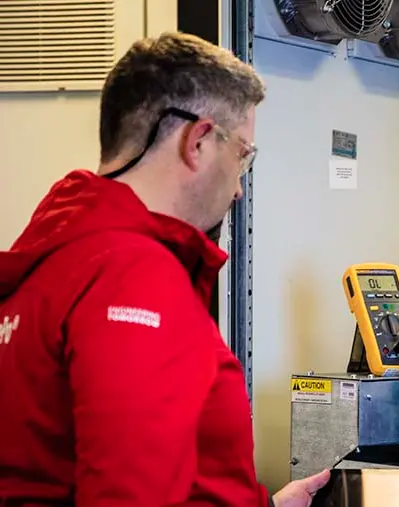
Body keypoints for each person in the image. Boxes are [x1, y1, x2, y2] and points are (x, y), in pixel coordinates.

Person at [0, 32, 330, 506]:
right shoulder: (133, 275)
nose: (239, 188)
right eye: (243, 155)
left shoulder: (60, 253)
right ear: (198, 141)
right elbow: (128, 494)